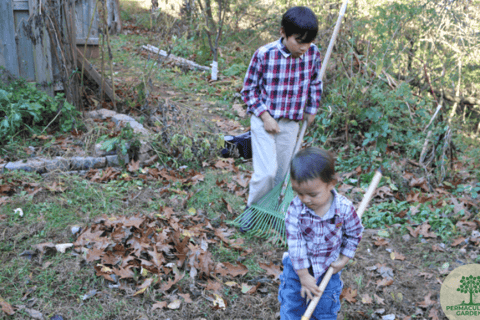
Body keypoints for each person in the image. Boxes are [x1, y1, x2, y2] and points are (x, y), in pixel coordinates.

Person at [240, 6, 323, 214]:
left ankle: (274, 211)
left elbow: (315, 83)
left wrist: (311, 109)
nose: (304, 47)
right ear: (283, 32)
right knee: (267, 172)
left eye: (309, 41)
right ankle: (253, 209)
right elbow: (248, 90)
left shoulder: (313, 54)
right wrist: (265, 116)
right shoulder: (264, 54)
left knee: (282, 174)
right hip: (264, 120)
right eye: (299, 40)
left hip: (291, 123)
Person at [278, 147, 364, 320]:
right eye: (299, 193)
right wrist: (303, 275)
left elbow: (354, 235)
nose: (305, 199)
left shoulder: (344, 209)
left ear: (331, 183)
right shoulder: (296, 209)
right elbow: (296, 243)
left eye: (312, 194)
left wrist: (343, 260)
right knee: (292, 308)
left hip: (327, 270)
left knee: (324, 312)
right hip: (297, 270)